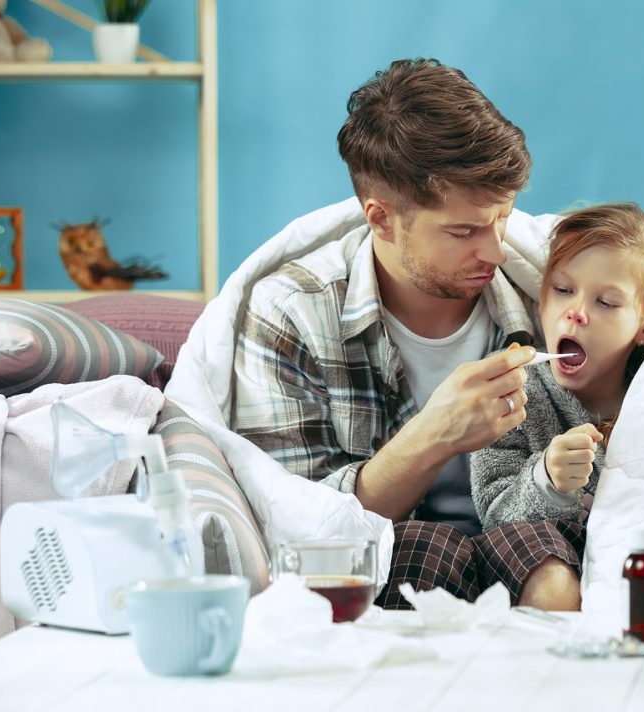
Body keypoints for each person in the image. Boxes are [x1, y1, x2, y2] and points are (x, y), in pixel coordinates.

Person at [231, 58, 584, 610]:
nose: (495, 250)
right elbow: (303, 535)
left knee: (549, 562)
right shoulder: (292, 315)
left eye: (503, 218)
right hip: (399, 565)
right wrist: (435, 435)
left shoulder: (558, 297)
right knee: (419, 551)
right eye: (463, 230)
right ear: (381, 218)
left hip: (542, 548)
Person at [470, 203, 644, 601]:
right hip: (537, 577)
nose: (576, 313)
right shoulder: (512, 393)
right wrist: (546, 480)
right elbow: (496, 518)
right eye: (563, 290)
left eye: (606, 302)